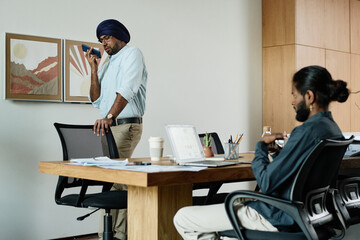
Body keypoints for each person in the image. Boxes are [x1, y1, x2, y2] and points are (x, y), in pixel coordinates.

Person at [173, 65, 350, 240]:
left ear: (309, 96)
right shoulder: (332, 129)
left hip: (277, 216)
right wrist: (281, 153)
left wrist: (260, 147)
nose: (292, 102)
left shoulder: (306, 132)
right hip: (309, 217)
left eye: (294, 95)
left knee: (183, 218)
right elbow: (298, 170)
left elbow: (266, 182)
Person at [85, 19, 148, 240]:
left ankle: (118, 235)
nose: (104, 44)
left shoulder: (133, 54)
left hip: (125, 125)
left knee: (118, 183)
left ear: (120, 36)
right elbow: (96, 99)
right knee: (112, 181)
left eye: (107, 38)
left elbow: (128, 88)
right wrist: (94, 69)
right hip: (108, 129)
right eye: (101, 40)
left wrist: (110, 116)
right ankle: (109, 234)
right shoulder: (108, 62)